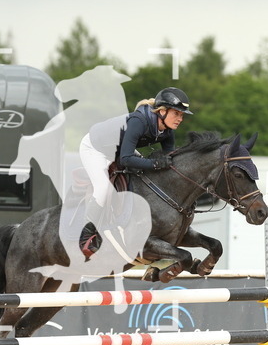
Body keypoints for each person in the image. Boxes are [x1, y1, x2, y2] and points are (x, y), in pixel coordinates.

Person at [77, 87, 193, 257]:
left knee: (144, 174)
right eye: (177, 113)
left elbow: (170, 161)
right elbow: (126, 159)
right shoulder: (139, 121)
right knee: (103, 189)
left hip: (119, 149)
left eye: (182, 115)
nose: (180, 119)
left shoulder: (167, 131)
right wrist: (155, 163)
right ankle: (86, 235)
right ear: (162, 111)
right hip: (96, 148)